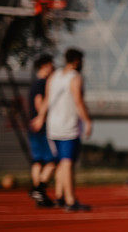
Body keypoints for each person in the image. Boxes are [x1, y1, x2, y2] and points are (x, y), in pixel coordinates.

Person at [31, 48, 93, 212]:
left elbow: (47, 100)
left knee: (60, 163)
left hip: (53, 127)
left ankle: (59, 196)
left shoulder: (54, 76)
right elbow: (78, 101)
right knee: (67, 163)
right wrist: (87, 121)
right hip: (68, 126)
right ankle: (71, 200)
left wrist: (41, 117)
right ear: (77, 61)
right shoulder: (75, 78)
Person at [27, 54, 57, 207]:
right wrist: (42, 117)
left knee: (37, 161)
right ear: (45, 66)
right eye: (51, 65)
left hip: (34, 126)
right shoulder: (43, 83)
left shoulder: (35, 83)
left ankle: (37, 191)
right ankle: (39, 188)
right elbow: (39, 102)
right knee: (53, 160)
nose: (53, 67)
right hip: (42, 127)